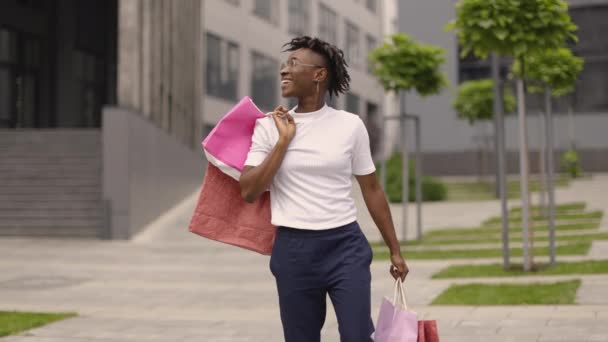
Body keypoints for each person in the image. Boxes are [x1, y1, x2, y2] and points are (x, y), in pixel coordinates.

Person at [239, 36, 408, 342]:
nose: (283, 71)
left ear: (319, 74)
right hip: (293, 250)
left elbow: (371, 190)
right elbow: (249, 190)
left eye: (293, 64)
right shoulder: (269, 126)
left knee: (357, 335)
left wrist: (395, 250)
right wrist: (283, 142)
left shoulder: (350, 125)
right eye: (284, 65)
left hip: (345, 246)